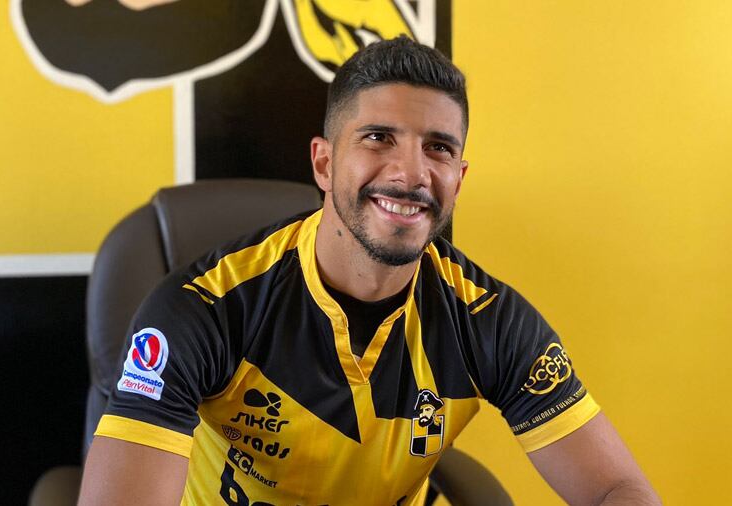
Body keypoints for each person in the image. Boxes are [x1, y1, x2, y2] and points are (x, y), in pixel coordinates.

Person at [78, 37, 660, 505]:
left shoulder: (489, 320)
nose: (411, 173)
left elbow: (618, 488)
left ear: (458, 178)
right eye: (379, 138)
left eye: (438, 148)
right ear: (324, 163)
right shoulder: (203, 307)